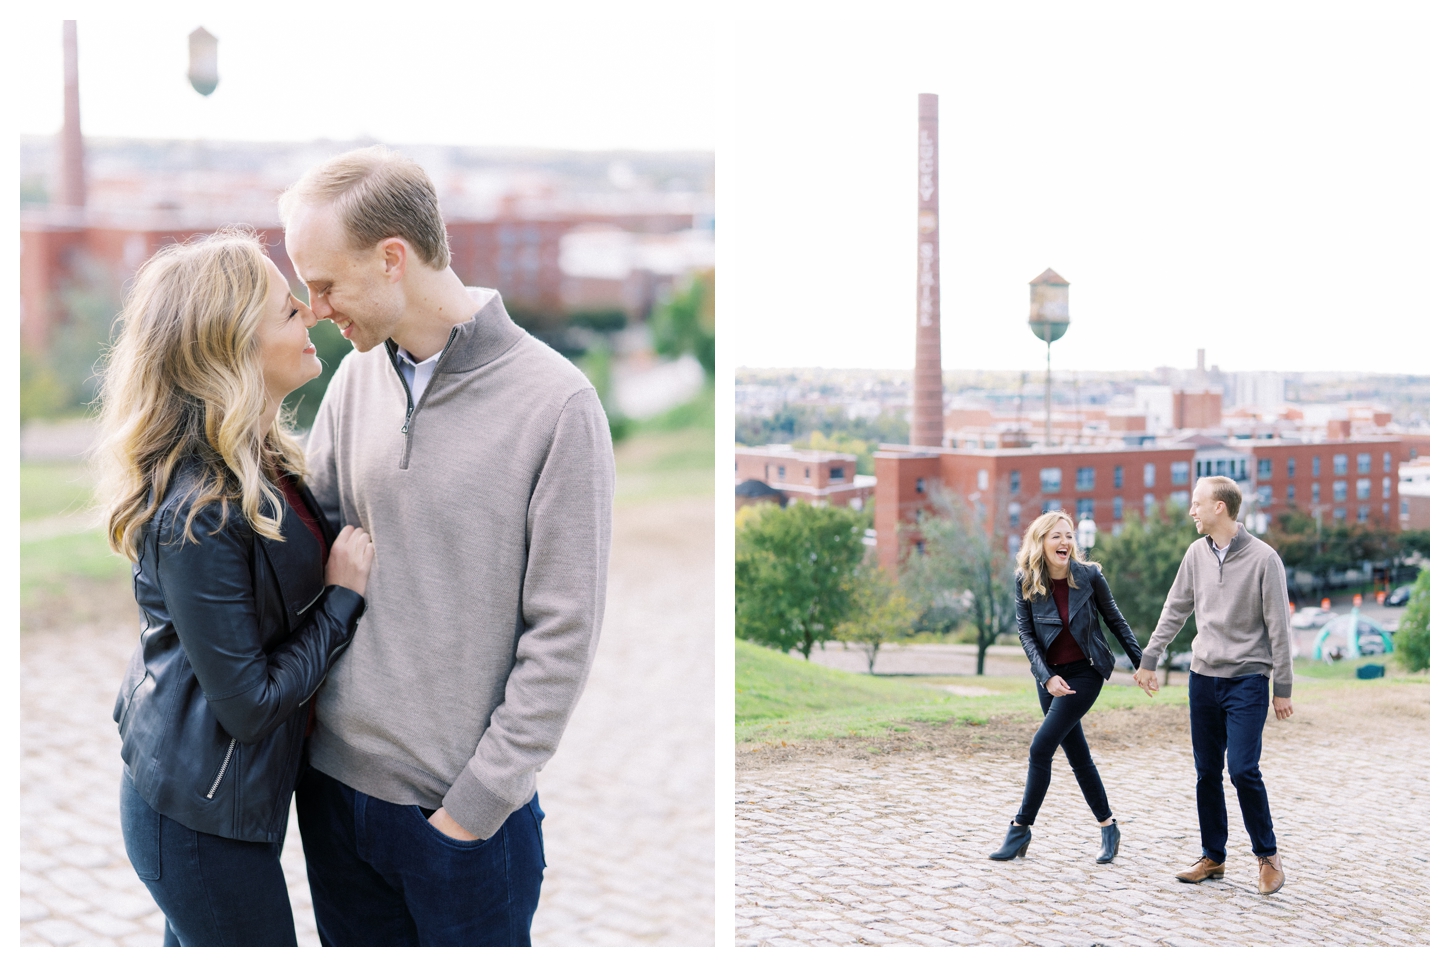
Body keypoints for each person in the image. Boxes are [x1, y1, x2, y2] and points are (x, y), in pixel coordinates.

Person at [280, 146, 614, 946]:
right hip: (333, 798)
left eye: (324, 283)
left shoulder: (559, 405)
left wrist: (470, 811)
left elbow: (563, 636)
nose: (316, 309)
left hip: (462, 826)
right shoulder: (356, 380)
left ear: (393, 257)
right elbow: (309, 558)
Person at [99, 231, 375, 946]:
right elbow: (248, 705)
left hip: (225, 802)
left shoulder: (262, 458)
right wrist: (343, 601)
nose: (311, 315)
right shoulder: (199, 510)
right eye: (288, 312)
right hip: (195, 818)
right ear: (233, 350)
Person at [1132, 475, 1293, 895]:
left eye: (1197, 503)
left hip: (1248, 681)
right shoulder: (1195, 554)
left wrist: (1283, 687)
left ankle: (1268, 856)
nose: (1192, 511)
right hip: (1203, 678)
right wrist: (1150, 658)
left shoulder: (1264, 559)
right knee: (1207, 773)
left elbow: (1280, 629)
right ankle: (1214, 857)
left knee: (1242, 769)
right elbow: (1175, 608)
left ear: (1219, 507)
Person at [990, 511, 1143, 864]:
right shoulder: (1025, 580)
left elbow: (1115, 620)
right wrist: (1046, 677)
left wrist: (1142, 663)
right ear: (1041, 542)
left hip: (1086, 673)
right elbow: (1026, 635)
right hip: (1049, 678)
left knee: (1040, 748)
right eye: (1057, 536)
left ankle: (1019, 828)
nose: (1065, 542)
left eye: (1069, 536)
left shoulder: (1089, 576)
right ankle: (1109, 827)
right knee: (1077, 755)